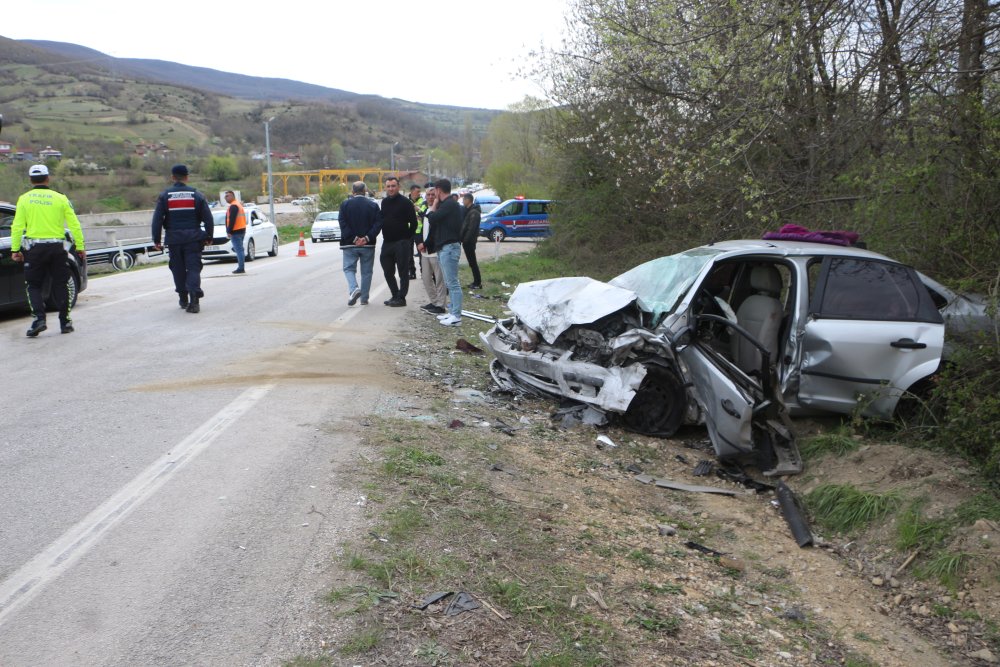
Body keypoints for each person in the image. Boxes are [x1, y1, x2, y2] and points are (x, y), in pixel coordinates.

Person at [10, 164, 86, 337]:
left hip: (34, 249)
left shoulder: (24, 199)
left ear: (30, 180)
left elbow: (17, 226)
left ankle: (39, 319)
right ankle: (65, 322)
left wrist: (15, 249)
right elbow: (74, 224)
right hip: (57, 248)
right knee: (61, 284)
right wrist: (80, 246)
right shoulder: (61, 198)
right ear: (48, 178)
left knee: (34, 285)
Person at [151, 164, 215, 313]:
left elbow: (157, 220)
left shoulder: (165, 196)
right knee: (193, 268)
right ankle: (194, 301)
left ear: (173, 177)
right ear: (187, 177)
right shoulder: (197, 195)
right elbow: (208, 219)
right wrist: (209, 236)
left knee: (177, 268)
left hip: (174, 239)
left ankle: (183, 298)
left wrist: (156, 240)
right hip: (193, 239)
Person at [425, 178, 465, 326]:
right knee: (450, 282)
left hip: (449, 248)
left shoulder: (449, 204)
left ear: (439, 190)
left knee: (453, 283)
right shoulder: (448, 205)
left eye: (434, 191)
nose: (433, 194)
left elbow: (432, 218)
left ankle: (456, 316)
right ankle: (453, 312)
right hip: (444, 248)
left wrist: (434, 205)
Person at [338, 181, 382, 306]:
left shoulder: (345, 205)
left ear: (352, 192)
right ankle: (364, 299)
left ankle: (354, 289)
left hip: (349, 244)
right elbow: (378, 224)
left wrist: (354, 239)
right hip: (368, 245)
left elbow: (342, 223)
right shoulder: (373, 205)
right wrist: (366, 238)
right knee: (367, 272)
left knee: (349, 269)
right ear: (365, 191)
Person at [378, 176, 418, 307]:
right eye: (388, 186)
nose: (391, 188)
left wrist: (407, 238)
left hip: (402, 242)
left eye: (393, 186)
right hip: (387, 242)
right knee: (387, 271)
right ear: (385, 187)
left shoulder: (406, 202)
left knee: (402, 272)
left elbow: (413, 223)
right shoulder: (384, 202)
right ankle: (395, 295)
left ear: (398, 187)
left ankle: (402, 298)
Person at [415, 187, 446, 314]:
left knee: (439, 280)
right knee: (426, 279)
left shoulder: (439, 211)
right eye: (428, 195)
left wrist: (425, 244)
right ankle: (434, 302)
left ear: (437, 196)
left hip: (435, 250)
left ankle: (441, 305)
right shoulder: (425, 211)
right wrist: (418, 243)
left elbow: (435, 232)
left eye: (433, 195)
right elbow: (419, 228)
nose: (430, 197)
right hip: (424, 251)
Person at [460, 193, 482, 289]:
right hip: (467, 241)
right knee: (471, 262)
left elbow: (471, 229)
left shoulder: (474, 213)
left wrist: (465, 240)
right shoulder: (469, 211)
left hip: (469, 241)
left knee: (473, 262)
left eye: (464, 200)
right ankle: (476, 281)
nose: (463, 202)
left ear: (468, 200)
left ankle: (477, 282)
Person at [224, 190, 247, 274]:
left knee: (239, 250)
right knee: (239, 249)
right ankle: (241, 267)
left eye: (228, 196)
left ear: (233, 196)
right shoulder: (237, 204)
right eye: (225, 196)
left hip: (236, 231)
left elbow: (232, 220)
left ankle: (241, 268)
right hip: (241, 229)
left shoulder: (234, 206)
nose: (226, 198)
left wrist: (229, 231)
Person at [408, 184, 426, 279]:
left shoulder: (423, 201)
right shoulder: (406, 201)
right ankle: (412, 272)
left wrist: (416, 213)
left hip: (420, 231)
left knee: (421, 252)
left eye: (420, 191)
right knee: (408, 253)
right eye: (417, 191)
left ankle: (424, 272)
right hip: (408, 231)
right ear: (412, 191)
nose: (419, 193)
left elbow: (423, 214)